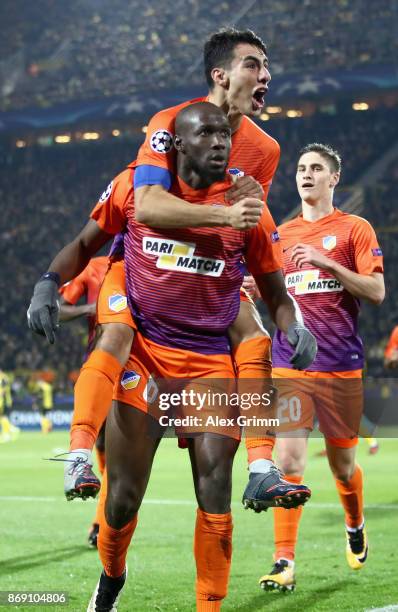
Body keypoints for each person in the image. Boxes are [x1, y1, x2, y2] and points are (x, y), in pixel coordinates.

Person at [28, 28, 313, 511]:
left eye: (267, 67)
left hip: (204, 275)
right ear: (220, 75)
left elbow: (248, 216)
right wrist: (47, 283)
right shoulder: (168, 121)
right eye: (254, 64)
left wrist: (261, 278)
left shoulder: (265, 151)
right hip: (143, 261)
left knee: (257, 336)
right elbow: (150, 206)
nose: (265, 75)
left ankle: (261, 469)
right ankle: (79, 452)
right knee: (115, 336)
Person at [83, 102, 316, 612]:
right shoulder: (141, 191)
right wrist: (50, 283)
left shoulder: (250, 200)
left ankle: (209, 605)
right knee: (122, 500)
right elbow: (93, 239)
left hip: (209, 361)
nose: (219, 141)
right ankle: (110, 581)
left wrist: (291, 323)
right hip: (148, 356)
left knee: (215, 491)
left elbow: (274, 289)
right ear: (177, 142)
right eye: (206, 133)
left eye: (224, 135)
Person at [257, 143, 384, 592]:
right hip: (291, 365)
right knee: (288, 460)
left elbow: (376, 291)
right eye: (300, 169)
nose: (306, 174)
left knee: (343, 466)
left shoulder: (355, 229)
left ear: (334, 179)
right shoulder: (281, 234)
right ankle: (283, 562)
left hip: (341, 366)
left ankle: (354, 523)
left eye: (316, 169)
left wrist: (329, 263)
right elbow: (262, 289)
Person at [59, 256, 109, 547]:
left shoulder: (159, 259)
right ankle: (100, 524)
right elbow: (59, 309)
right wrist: (91, 308)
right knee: (103, 449)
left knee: (120, 459)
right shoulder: (95, 266)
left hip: (142, 369)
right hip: (100, 363)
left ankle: (101, 526)